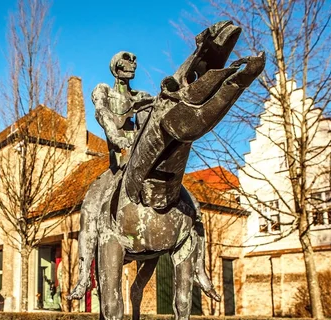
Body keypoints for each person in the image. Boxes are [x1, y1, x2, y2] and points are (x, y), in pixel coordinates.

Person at [69, 51, 219, 302]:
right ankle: (84, 275)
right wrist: (116, 136)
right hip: (118, 168)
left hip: (142, 166)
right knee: (90, 207)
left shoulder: (143, 98)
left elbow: (163, 108)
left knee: (193, 205)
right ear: (116, 67)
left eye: (134, 62)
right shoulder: (103, 90)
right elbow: (102, 114)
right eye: (126, 62)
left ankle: (200, 270)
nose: (132, 65)